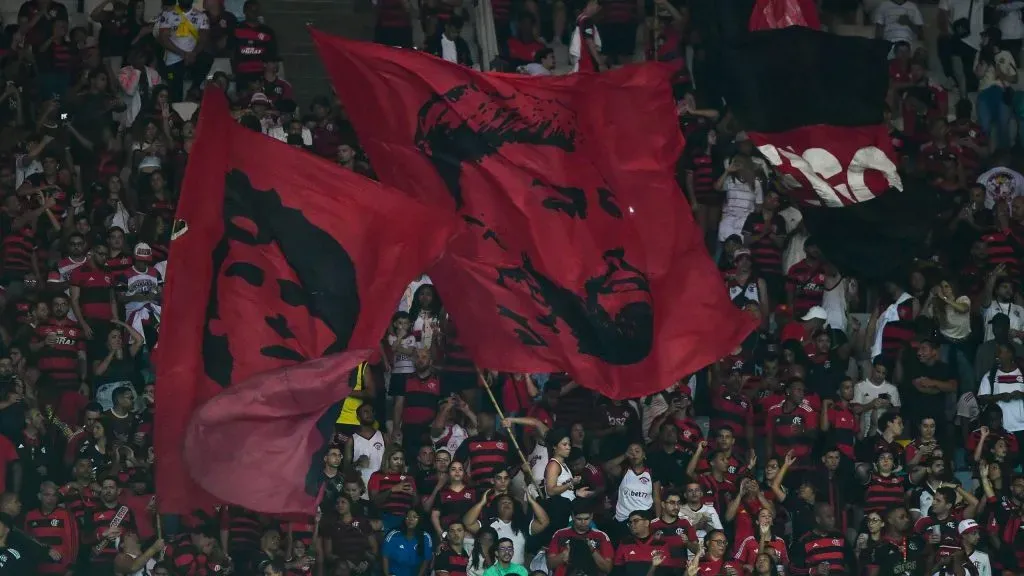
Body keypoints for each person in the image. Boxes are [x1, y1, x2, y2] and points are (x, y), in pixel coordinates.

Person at [381, 509, 432, 576]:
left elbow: (426, 560)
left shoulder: (425, 537)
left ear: (420, 520)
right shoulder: (394, 534)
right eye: (408, 517)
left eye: (414, 517)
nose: (410, 519)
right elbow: (385, 557)